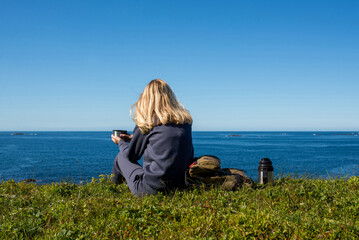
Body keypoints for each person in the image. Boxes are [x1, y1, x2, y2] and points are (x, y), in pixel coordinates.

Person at [111, 79, 194, 197]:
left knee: (120, 157)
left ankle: (112, 190)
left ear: (146, 99)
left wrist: (120, 142)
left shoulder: (148, 121)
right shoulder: (184, 122)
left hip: (151, 190)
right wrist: (134, 138)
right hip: (179, 186)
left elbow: (131, 156)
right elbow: (162, 141)